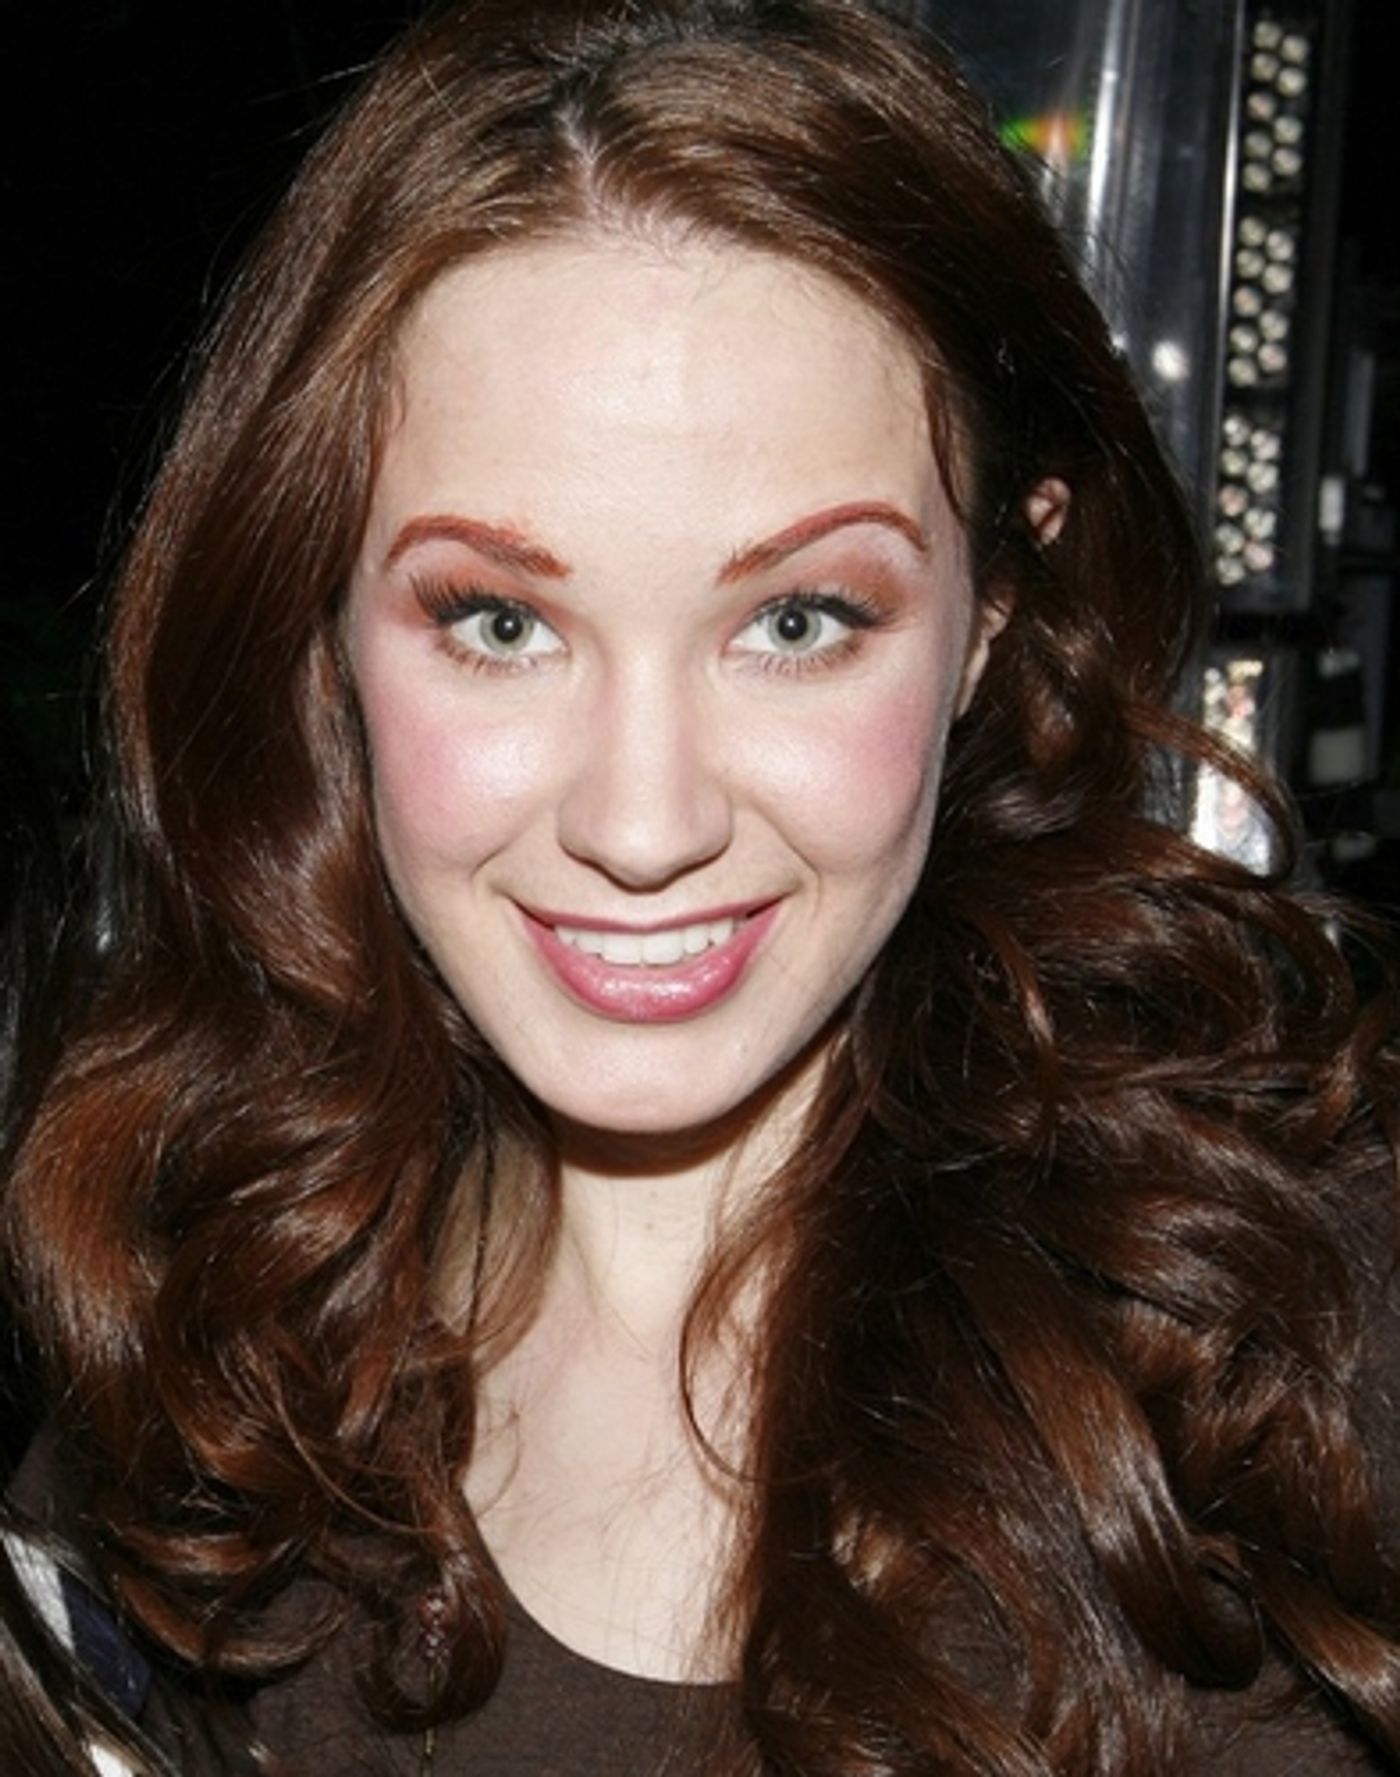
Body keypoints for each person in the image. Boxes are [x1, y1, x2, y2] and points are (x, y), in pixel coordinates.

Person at [5, 0, 1399, 1771]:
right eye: (499, 622)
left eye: (798, 620)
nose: (645, 821)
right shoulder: (193, 1390)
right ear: (323, 625)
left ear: (990, 614)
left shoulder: (1306, 1329)